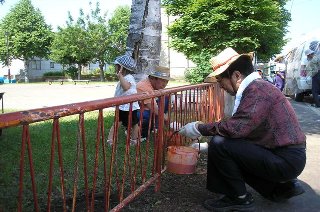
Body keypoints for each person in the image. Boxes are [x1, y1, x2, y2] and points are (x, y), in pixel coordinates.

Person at [178, 47, 306, 211]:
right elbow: (244, 132)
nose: (220, 86)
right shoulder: (258, 87)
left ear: (237, 75)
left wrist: (198, 128)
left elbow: (235, 129)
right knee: (226, 148)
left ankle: (237, 197)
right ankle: (278, 188)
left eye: (220, 80)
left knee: (220, 143)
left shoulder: (257, 90)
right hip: (286, 156)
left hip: (285, 159)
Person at [107, 55, 140, 146]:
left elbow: (126, 87)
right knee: (118, 122)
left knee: (134, 124)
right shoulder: (125, 77)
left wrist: (120, 76)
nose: (115, 67)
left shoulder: (129, 77)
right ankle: (110, 139)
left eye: (116, 66)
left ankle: (134, 140)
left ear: (122, 67)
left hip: (129, 106)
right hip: (123, 106)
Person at [136, 66, 174, 139]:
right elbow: (153, 107)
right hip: (133, 111)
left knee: (166, 98)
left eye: (167, 81)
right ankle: (140, 134)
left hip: (144, 107)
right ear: (153, 78)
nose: (165, 84)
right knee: (148, 114)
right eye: (163, 81)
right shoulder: (144, 86)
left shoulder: (151, 84)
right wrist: (167, 119)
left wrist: (173, 101)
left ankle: (155, 126)